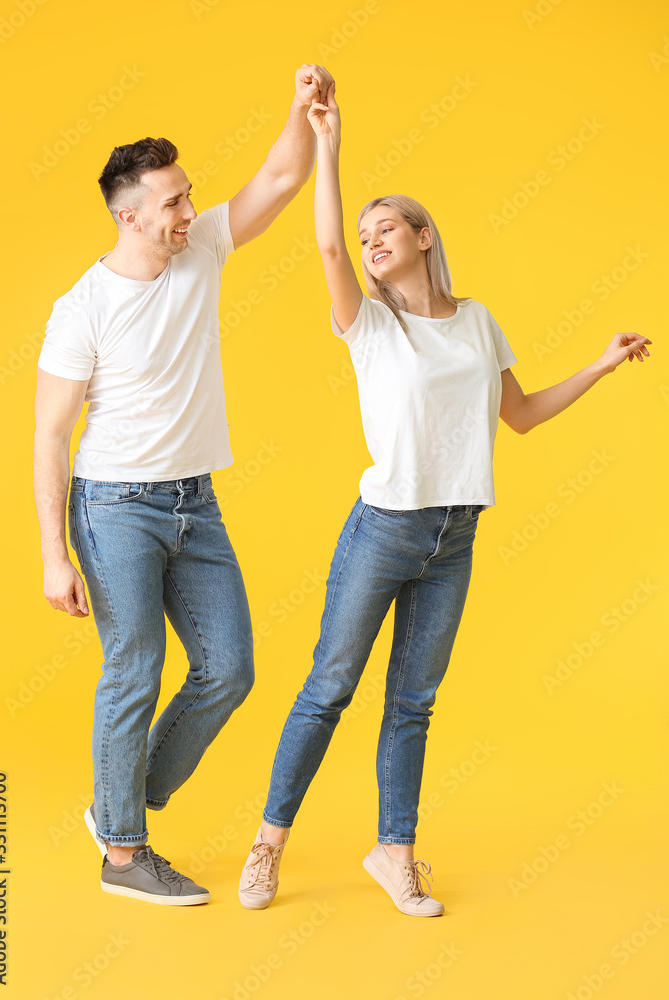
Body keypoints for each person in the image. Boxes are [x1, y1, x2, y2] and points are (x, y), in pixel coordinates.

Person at [237, 83, 651, 916]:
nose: (369, 240)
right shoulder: (370, 327)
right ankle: (267, 846)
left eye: (385, 228)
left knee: (413, 704)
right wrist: (330, 144)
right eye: (365, 234)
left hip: (455, 536)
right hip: (385, 530)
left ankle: (396, 854)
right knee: (329, 688)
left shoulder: (476, 321)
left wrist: (601, 366)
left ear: (424, 237)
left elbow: (522, 416)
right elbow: (323, 250)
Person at [33, 64, 334, 907]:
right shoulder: (81, 308)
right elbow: (51, 435)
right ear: (129, 217)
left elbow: (279, 177)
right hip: (114, 507)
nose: (188, 212)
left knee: (228, 672)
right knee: (136, 667)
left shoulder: (201, 247)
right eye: (172, 202)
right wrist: (55, 554)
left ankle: (116, 803)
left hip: (193, 503)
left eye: (188, 195)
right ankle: (124, 853)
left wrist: (302, 114)